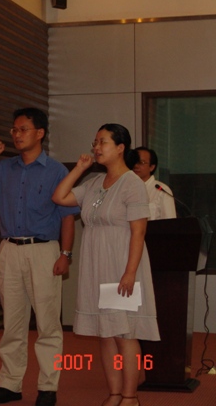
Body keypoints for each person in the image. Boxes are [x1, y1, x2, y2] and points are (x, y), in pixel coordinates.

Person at [52, 124, 160, 406]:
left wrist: (130, 273)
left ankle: (130, 396)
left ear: (121, 148)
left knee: (124, 334)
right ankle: (114, 394)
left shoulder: (132, 183)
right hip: (96, 265)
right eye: (95, 142)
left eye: (103, 142)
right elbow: (59, 197)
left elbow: (138, 232)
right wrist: (79, 169)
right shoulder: (94, 182)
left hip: (121, 265)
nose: (96, 147)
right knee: (105, 334)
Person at [0, 108, 79, 406]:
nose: (16, 135)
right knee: (12, 322)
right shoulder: (3, 169)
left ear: (40, 133)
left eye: (23, 129)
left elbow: (68, 217)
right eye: (14, 130)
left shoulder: (56, 171)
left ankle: (48, 386)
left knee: (48, 323)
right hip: (9, 249)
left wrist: (65, 254)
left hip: (44, 250)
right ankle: (10, 384)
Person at [132, 147, 176, 220]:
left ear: (151, 167)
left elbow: (170, 224)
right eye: (133, 162)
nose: (135, 165)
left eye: (141, 162)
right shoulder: (124, 188)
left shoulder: (161, 190)